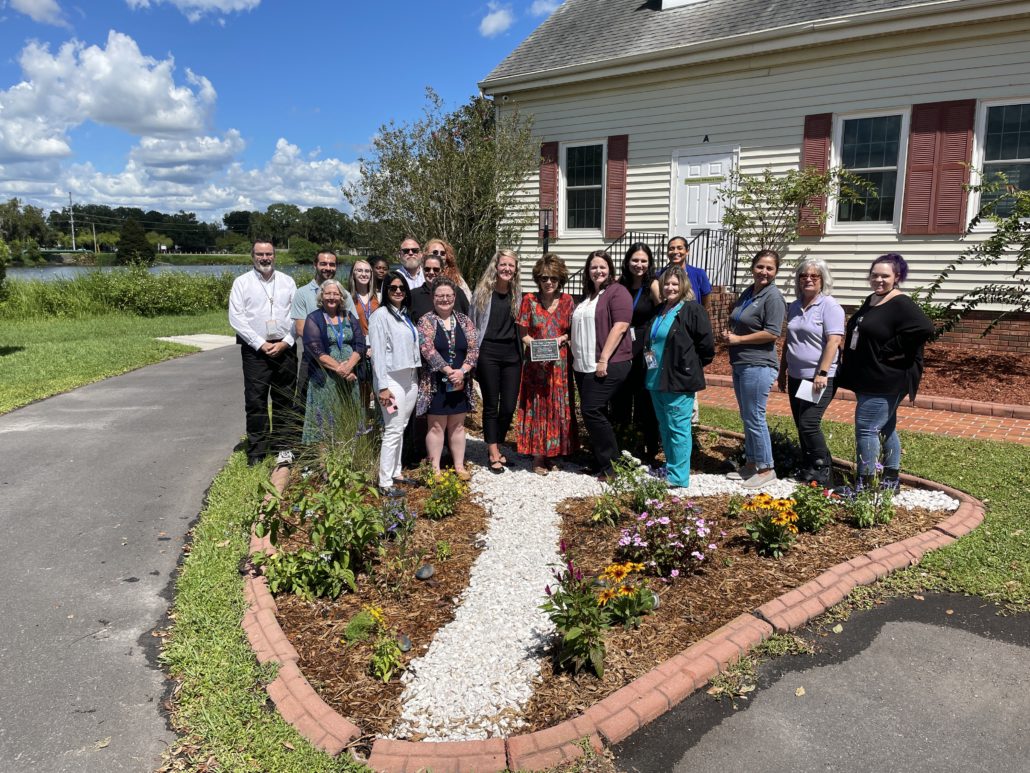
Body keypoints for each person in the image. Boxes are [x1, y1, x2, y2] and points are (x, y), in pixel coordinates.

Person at [836, 253, 933, 489]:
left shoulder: (900, 303)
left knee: (866, 429)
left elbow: (925, 328)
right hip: (868, 376)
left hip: (886, 378)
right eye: (875, 275)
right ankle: (890, 479)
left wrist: (890, 349)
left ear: (897, 277)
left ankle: (865, 485)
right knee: (885, 428)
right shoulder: (873, 299)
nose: (879, 279)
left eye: (885, 276)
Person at [228, 241, 298, 467]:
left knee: (284, 399)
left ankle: (282, 447)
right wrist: (260, 343)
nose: (265, 258)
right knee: (256, 400)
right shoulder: (242, 283)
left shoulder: (287, 281)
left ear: (275, 256)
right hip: (255, 350)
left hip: (285, 348)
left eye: (269, 254)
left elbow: (298, 316)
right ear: (252, 256)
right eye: (260, 254)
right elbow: (236, 318)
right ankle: (257, 450)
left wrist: (287, 341)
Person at [777, 258, 846, 486]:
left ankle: (823, 469)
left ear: (822, 280)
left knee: (809, 423)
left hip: (818, 378)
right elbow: (790, 340)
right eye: (803, 276)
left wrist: (822, 373)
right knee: (801, 423)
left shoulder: (829, 306)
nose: (808, 279)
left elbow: (834, 340)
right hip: (797, 376)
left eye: (814, 276)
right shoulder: (795, 306)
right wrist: (783, 370)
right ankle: (809, 467)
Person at [644, 266, 715, 488]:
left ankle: (678, 476)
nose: (670, 287)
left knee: (678, 427)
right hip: (657, 378)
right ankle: (671, 466)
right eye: (667, 283)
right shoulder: (661, 310)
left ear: (683, 285)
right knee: (664, 426)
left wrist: (688, 366)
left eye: (675, 284)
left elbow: (707, 348)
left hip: (678, 381)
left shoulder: (692, 310)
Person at [722, 249, 786, 488]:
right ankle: (751, 464)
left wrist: (738, 340)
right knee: (747, 415)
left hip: (758, 364)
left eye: (770, 268)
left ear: (776, 272)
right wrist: (730, 335)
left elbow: (772, 333)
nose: (764, 272)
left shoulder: (773, 297)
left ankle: (766, 468)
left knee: (755, 416)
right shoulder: (750, 292)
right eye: (760, 267)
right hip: (741, 362)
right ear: (752, 268)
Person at [571, 250, 633, 478]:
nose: (598, 271)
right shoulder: (588, 296)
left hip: (608, 362)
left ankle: (612, 466)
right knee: (595, 412)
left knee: (591, 409)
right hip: (583, 364)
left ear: (610, 269)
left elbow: (621, 327)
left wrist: (603, 359)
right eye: (593, 267)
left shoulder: (618, 292)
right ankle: (600, 461)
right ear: (588, 271)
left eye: (602, 266)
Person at [517, 254, 577, 474]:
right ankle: (537, 456)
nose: (549, 282)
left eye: (553, 278)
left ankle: (553, 453)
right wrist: (538, 349)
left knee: (556, 407)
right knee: (538, 407)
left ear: (560, 279)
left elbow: (571, 331)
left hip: (559, 365)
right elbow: (523, 334)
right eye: (544, 278)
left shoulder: (568, 301)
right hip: (535, 366)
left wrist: (561, 339)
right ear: (537, 280)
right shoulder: (529, 300)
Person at [415, 277, 479, 481]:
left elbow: (474, 348)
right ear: (433, 298)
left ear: (454, 297)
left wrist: (463, 371)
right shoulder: (426, 321)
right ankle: (435, 469)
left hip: (460, 381)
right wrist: (448, 370)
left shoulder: (464, 320)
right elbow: (427, 348)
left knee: (458, 425)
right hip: (436, 383)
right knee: (436, 425)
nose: (444, 299)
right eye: (440, 295)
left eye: (449, 296)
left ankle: (459, 466)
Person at [368, 271, 421, 496]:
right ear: (385, 291)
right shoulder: (380, 316)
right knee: (392, 429)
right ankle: (384, 483)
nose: (398, 291)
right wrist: (382, 387)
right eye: (392, 288)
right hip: (391, 381)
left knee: (401, 426)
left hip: (410, 379)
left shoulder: (404, 314)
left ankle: (396, 472)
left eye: (401, 287)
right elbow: (378, 354)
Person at [471, 249, 523, 472]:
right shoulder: (482, 293)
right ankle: (493, 451)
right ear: (496, 266)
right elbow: (472, 327)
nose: (507, 269)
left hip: (512, 354)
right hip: (488, 353)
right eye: (504, 265)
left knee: (509, 405)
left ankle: (497, 444)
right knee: (491, 404)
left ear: (515, 270)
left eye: (511, 266)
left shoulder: (517, 295)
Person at [612, 242, 662, 466]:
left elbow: (662, 314)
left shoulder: (653, 285)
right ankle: (623, 443)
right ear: (627, 261)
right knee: (621, 397)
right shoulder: (620, 284)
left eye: (643, 261)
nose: (639, 265)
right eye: (635, 260)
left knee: (645, 398)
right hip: (623, 346)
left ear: (649, 263)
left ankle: (647, 447)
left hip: (647, 348)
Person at [656, 236, 713, 426]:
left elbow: (705, 299)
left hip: (690, 330)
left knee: (687, 397)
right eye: (671, 248)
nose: (675, 252)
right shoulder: (661, 274)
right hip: (668, 331)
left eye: (679, 248)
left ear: (687, 250)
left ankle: (691, 430)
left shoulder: (698, 273)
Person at [301, 279, 365, 443]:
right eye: (327, 293)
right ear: (321, 296)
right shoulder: (314, 318)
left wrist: (349, 366)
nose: (331, 297)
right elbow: (315, 349)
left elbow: (360, 344)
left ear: (341, 297)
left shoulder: (349, 316)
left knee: (348, 415)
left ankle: (349, 455)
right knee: (325, 420)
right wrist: (341, 369)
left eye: (335, 293)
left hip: (350, 377)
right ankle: (324, 463)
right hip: (326, 380)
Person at [349, 259, 379, 415]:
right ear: (353, 273)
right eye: (359, 270)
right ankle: (362, 425)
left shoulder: (378, 296)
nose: (363, 274)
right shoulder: (347, 297)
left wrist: (375, 347)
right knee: (361, 389)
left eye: (367, 271)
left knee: (379, 387)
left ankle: (381, 426)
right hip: (357, 348)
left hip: (377, 347)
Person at [411, 253, 470, 322]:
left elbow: (469, 318)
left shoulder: (456, 292)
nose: (431, 272)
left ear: (442, 271)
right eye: (427, 269)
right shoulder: (414, 295)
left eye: (435, 269)